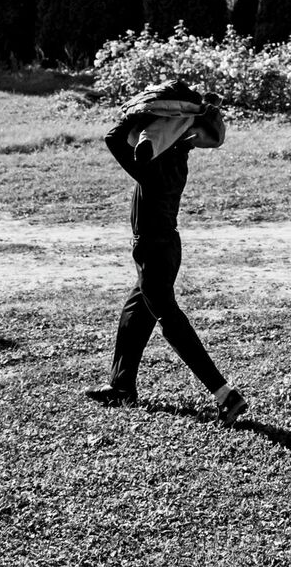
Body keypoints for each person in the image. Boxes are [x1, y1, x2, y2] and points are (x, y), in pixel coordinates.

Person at [83, 79, 247, 425]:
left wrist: (136, 114)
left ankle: (224, 394)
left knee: (170, 322)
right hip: (166, 249)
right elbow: (166, 134)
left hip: (153, 250)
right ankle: (121, 386)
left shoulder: (153, 167)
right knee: (134, 313)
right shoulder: (176, 157)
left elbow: (113, 138)